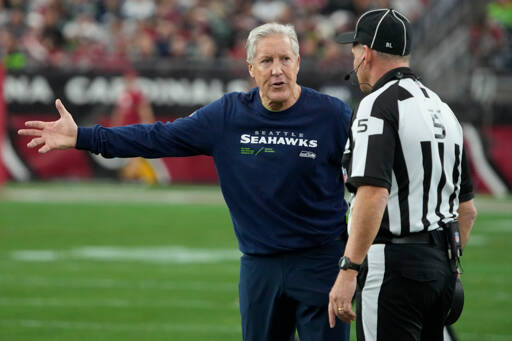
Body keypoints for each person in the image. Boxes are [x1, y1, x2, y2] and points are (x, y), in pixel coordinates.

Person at [18, 23, 352, 341]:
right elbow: (157, 137)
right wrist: (82, 137)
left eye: (285, 59)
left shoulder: (332, 115)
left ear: (298, 63)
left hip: (321, 264)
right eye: (266, 60)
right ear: (251, 67)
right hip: (259, 267)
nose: (277, 69)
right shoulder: (228, 115)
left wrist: (354, 265)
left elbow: (370, 183)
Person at [328, 8, 477, 341]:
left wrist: (349, 269)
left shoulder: (376, 105)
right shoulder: (442, 108)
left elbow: (372, 193)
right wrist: (447, 269)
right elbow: (466, 209)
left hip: (391, 263)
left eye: (354, 50)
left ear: (365, 53)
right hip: (442, 266)